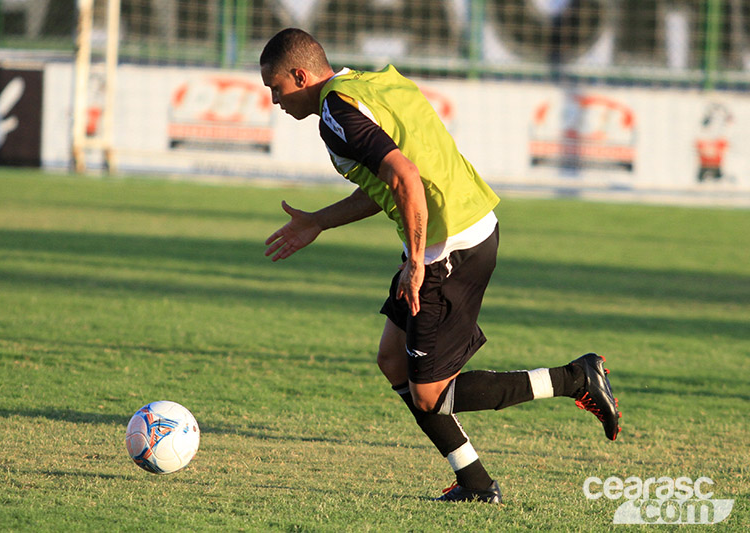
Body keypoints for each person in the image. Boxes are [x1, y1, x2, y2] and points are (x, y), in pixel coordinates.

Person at [260, 28, 621, 503]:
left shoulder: (335, 111)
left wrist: (415, 263)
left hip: (445, 247)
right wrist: (319, 222)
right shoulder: (375, 84)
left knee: (430, 394)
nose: (274, 100)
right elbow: (391, 182)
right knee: (392, 359)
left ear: (301, 75)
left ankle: (576, 377)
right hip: (462, 229)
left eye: (276, 88)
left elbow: (406, 178)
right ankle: (474, 482)